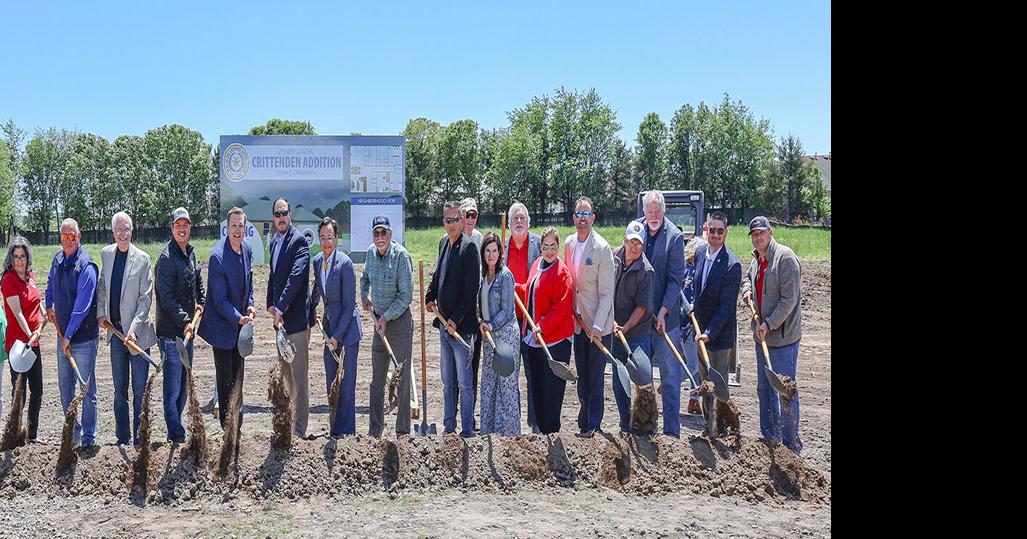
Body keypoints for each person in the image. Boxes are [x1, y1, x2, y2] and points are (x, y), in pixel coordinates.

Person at [741, 216, 803, 455]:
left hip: (783, 339)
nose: (758, 238)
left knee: (785, 391)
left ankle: (790, 447)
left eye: (761, 233)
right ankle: (770, 439)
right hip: (762, 336)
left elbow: (789, 300)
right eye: (754, 235)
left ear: (770, 232)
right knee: (765, 389)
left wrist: (769, 323)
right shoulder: (757, 259)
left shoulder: (785, 258)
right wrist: (747, 292)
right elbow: (748, 278)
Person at [96, 211, 156, 446]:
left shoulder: (142, 259)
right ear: (113, 232)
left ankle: (140, 440)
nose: (123, 233)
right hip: (115, 332)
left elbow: (145, 298)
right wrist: (101, 312)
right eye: (119, 229)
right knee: (120, 391)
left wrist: (133, 330)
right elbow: (102, 286)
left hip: (136, 335)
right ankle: (122, 438)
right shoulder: (107, 255)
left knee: (139, 390)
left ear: (132, 231)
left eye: (127, 229)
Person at [425, 201, 480, 438]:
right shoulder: (442, 244)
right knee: (447, 382)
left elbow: (470, 290)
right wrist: (430, 295)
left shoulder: (469, 249)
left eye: (456, 219)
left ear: (461, 219)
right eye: (447, 220)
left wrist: (456, 320)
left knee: (464, 384)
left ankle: (467, 430)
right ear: (443, 222)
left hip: (462, 330)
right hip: (443, 326)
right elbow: (438, 276)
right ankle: (449, 427)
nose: (452, 224)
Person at [197, 207, 255, 430]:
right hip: (222, 328)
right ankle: (226, 428)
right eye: (234, 225)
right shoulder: (217, 257)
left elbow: (249, 286)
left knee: (239, 376)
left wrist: (250, 305)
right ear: (227, 228)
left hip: (240, 327)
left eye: (241, 225)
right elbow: (219, 300)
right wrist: (240, 318)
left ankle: (236, 424)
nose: (237, 230)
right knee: (225, 380)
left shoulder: (247, 250)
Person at [45, 218, 100, 448]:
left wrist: (68, 336)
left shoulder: (86, 266)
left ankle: (88, 437)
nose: (68, 241)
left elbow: (82, 307)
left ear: (80, 237)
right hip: (63, 336)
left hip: (83, 339)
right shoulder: (57, 259)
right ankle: (73, 433)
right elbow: (49, 284)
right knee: (65, 387)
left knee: (86, 389)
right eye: (64, 237)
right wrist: (48, 304)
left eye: (72, 236)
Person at [635, 190, 685, 437]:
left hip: (667, 320)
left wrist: (663, 311)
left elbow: (676, 281)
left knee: (670, 378)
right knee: (644, 377)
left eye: (658, 211)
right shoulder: (637, 232)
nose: (654, 216)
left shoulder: (674, 238)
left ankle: (672, 434)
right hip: (642, 320)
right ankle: (646, 429)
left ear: (664, 211)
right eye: (649, 211)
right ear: (644, 212)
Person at [563, 196, 615, 437]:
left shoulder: (602, 248)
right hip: (577, 323)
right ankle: (584, 423)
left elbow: (606, 294)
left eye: (587, 215)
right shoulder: (569, 243)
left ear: (593, 218)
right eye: (578, 215)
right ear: (574, 218)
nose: (582, 219)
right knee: (582, 377)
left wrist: (596, 326)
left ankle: (593, 424)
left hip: (597, 327)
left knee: (595, 379)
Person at [515, 226, 574, 435]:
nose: (549, 251)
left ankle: (552, 432)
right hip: (534, 339)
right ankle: (540, 431)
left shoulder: (562, 272)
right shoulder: (537, 264)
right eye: (545, 246)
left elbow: (561, 307)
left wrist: (543, 326)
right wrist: (514, 287)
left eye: (553, 246)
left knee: (551, 391)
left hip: (554, 341)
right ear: (540, 247)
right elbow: (530, 291)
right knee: (536, 387)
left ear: (558, 246)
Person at [359, 214, 413, 438]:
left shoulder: (401, 256)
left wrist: (387, 317)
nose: (380, 237)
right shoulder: (371, 253)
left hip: (398, 323)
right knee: (377, 380)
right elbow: (364, 279)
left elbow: (406, 296)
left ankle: (402, 433)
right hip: (378, 323)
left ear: (390, 234)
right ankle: (375, 430)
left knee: (401, 378)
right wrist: (364, 295)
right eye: (376, 233)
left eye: (384, 233)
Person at [155, 207, 205, 444]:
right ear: (172, 228)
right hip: (171, 334)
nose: (182, 229)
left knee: (184, 383)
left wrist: (201, 301)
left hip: (187, 332)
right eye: (178, 225)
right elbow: (167, 299)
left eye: (185, 225)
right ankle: (175, 433)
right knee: (173, 385)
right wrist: (186, 321)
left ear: (189, 227)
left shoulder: (190, 252)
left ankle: (177, 430)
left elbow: (197, 281)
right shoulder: (166, 258)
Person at [690, 211, 741, 436]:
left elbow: (727, 308)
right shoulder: (701, 253)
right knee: (704, 385)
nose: (716, 234)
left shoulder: (732, 265)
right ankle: (707, 428)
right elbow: (697, 288)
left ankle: (720, 430)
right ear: (707, 230)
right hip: (701, 333)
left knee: (717, 386)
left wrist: (709, 333)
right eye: (712, 230)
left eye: (720, 231)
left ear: (726, 233)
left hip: (718, 338)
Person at [310, 216, 362, 437]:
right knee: (332, 380)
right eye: (322, 238)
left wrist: (337, 337)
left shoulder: (345, 264)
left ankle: (347, 433)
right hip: (330, 328)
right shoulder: (317, 261)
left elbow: (350, 305)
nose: (326, 242)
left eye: (330, 237)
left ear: (337, 238)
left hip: (347, 332)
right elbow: (317, 291)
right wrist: (310, 309)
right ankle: (334, 428)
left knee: (347, 384)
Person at [266, 197, 313, 439]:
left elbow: (296, 279)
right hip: (280, 323)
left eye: (284, 213)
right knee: (285, 376)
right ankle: (288, 424)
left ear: (290, 214)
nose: (281, 218)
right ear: (273, 218)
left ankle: (300, 429)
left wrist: (281, 308)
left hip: (295, 321)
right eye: (277, 214)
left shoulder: (299, 242)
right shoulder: (275, 242)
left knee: (298, 377)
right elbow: (274, 277)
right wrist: (270, 306)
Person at [611, 221, 654, 433]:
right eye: (631, 242)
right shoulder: (614, 256)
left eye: (638, 244)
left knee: (641, 380)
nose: (634, 247)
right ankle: (625, 424)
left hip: (636, 334)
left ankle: (646, 426)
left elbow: (641, 308)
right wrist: (609, 319)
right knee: (619, 380)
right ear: (624, 240)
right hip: (615, 328)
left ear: (643, 245)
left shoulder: (646, 271)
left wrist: (625, 328)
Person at [476, 232, 520, 436]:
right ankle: (488, 432)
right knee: (488, 384)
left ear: (499, 253)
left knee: (506, 385)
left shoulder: (505, 276)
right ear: (483, 253)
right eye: (488, 250)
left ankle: (508, 435)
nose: (491, 254)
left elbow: (506, 308)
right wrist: (480, 320)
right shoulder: (483, 276)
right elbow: (481, 304)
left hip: (505, 336)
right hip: (488, 336)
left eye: (494, 250)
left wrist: (491, 325)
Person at [504, 201, 542, 433]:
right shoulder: (502, 245)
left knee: (533, 372)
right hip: (509, 320)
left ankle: (535, 423)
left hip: (531, 319)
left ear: (528, 223)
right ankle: (512, 423)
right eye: (515, 219)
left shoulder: (538, 244)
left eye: (522, 218)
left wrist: (519, 287)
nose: (519, 222)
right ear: (508, 225)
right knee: (510, 372)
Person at [2, 236, 43, 442]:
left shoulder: (29, 277)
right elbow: (17, 314)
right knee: (20, 392)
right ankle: (15, 435)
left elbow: (37, 301)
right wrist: (31, 334)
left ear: (28, 257)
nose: (19, 260)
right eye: (16, 256)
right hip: (19, 345)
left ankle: (32, 436)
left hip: (33, 343)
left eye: (23, 256)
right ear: (11, 258)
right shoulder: (8, 280)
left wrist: (46, 315)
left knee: (38, 390)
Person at [460, 197, 483, 425]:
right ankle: (455, 412)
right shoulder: (452, 238)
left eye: (474, 215)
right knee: (455, 365)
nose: (470, 219)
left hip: (475, 310)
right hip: (456, 312)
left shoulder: (479, 239)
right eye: (467, 214)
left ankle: (470, 413)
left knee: (473, 362)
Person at [680, 236, 708, 415]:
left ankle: (693, 400)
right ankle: (671, 383)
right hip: (689, 325)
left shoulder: (692, 270)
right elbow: (687, 298)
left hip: (693, 324)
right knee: (694, 365)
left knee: (697, 363)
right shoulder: (689, 272)